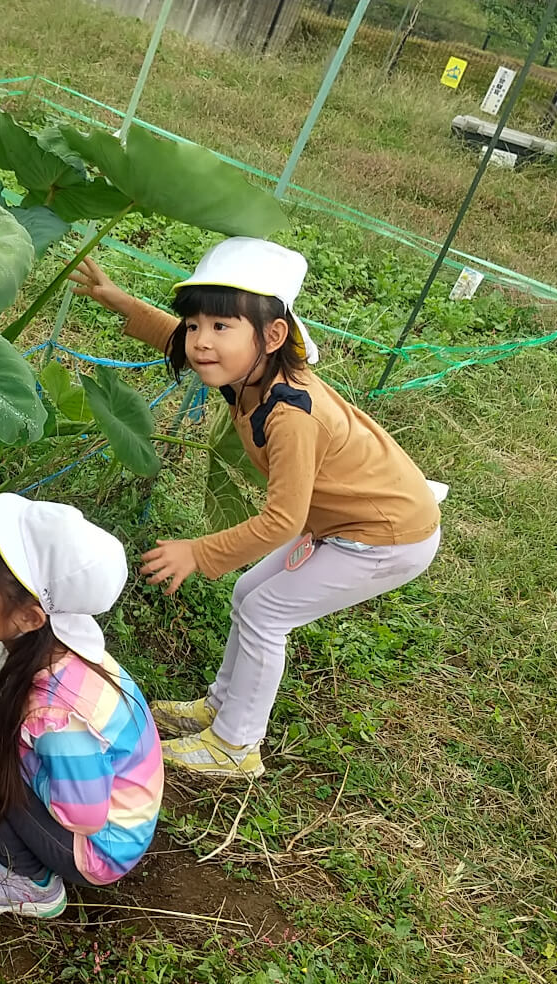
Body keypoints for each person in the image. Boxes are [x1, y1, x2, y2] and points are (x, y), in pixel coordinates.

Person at [71, 238, 445, 779]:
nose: (201, 341)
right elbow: (175, 338)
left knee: (268, 614)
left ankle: (236, 745)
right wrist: (120, 301)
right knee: (250, 595)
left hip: (385, 537)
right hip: (350, 521)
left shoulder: (290, 413)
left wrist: (199, 552)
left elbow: (282, 521)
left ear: (272, 336)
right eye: (196, 324)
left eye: (221, 327)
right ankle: (222, 705)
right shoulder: (249, 373)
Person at [0, 493, 162, 919]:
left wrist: (11, 732)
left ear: (31, 618)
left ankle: (27, 878)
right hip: (102, 802)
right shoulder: (51, 646)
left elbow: (84, 813)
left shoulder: (55, 714)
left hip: (97, 846)